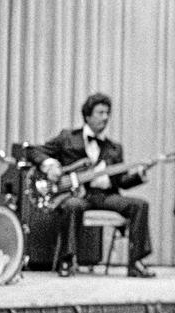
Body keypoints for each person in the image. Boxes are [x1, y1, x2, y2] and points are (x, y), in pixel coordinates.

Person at [28, 93, 155, 278]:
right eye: (100, 112)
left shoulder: (114, 148)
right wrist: (50, 166)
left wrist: (140, 173)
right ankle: (66, 260)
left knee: (140, 205)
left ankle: (135, 262)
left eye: (107, 113)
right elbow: (33, 151)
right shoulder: (67, 138)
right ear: (87, 116)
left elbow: (121, 182)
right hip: (76, 195)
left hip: (105, 196)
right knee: (72, 206)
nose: (105, 117)